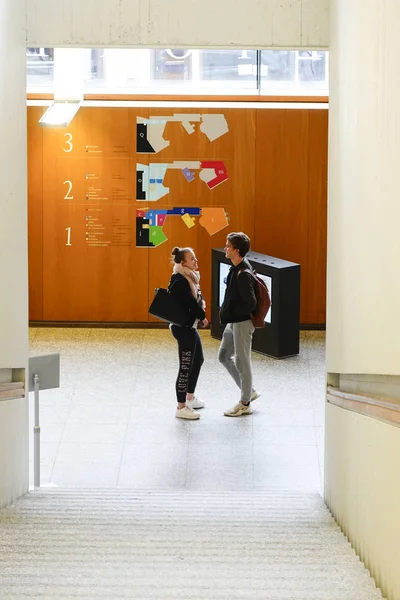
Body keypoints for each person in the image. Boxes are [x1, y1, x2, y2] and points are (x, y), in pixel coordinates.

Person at [218, 232, 260, 417]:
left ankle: (245, 403)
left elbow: (251, 303)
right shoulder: (235, 268)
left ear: (236, 250)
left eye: (227, 246)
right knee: (224, 356)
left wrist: (234, 312)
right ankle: (248, 390)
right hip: (233, 321)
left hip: (242, 323)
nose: (225, 248)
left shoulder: (243, 274)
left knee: (243, 361)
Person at [168, 246, 209, 420]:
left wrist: (200, 316)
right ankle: (181, 406)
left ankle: (190, 397)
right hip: (182, 328)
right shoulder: (179, 280)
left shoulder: (189, 277)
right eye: (192, 259)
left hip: (189, 326)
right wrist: (202, 316)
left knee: (198, 359)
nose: (196, 261)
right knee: (185, 366)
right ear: (183, 262)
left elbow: (196, 299)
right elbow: (190, 304)